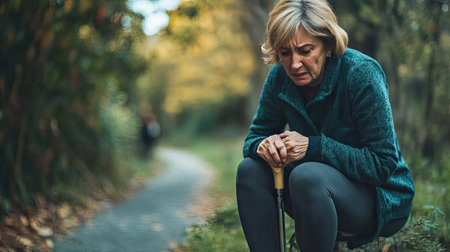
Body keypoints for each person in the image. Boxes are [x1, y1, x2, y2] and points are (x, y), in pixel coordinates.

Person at [235, 0, 415, 251]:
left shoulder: (361, 73)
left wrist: (314, 147)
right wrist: (264, 146)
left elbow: (382, 164)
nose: (294, 64)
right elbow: (253, 139)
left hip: (378, 198)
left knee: (306, 175)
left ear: (328, 45)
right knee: (249, 169)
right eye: (285, 53)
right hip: (311, 191)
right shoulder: (279, 77)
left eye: (305, 51)